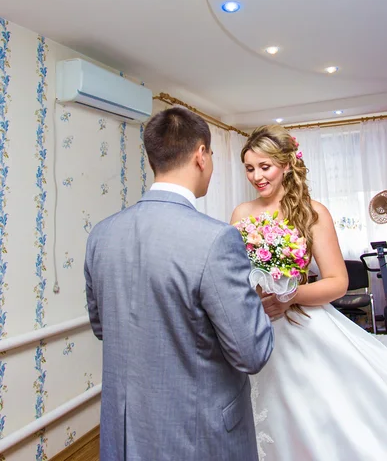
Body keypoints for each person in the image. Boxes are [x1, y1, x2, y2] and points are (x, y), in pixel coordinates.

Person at [85, 107, 274, 461]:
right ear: (201, 155)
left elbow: (102, 326)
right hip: (198, 435)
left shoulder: (102, 234)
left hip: (124, 432)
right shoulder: (216, 239)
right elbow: (252, 353)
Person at [231, 124, 387, 461]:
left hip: (302, 324)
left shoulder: (312, 213)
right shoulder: (241, 215)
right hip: (256, 327)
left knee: (316, 416)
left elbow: (336, 281)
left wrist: (290, 296)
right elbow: (230, 275)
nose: (257, 176)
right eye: (249, 168)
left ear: (286, 165)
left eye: (265, 166)